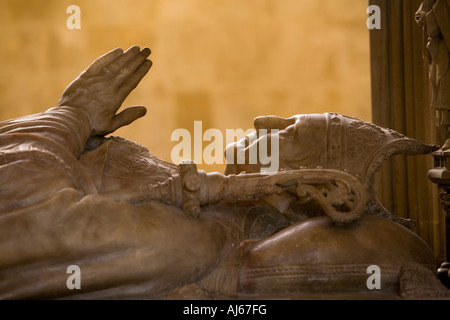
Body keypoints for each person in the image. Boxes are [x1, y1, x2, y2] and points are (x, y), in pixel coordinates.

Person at [0, 47, 443, 299]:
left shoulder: (191, 243)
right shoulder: (197, 211)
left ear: (313, 190)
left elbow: (25, 204)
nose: (264, 123)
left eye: (290, 133)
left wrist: (70, 118)